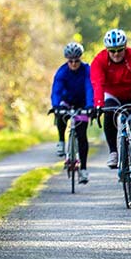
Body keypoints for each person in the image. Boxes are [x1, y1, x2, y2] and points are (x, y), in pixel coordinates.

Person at [89, 28, 131, 191]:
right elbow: (97, 84)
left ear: (125, 47)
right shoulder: (99, 61)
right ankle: (113, 152)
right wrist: (97, 104)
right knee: (109, 112)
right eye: (112, 51)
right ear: (107, 50)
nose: (116, 54)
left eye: (119, 50)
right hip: (112, 95)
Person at [50, 41, 94, 184]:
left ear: (80, 59)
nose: (74, 64)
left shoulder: (87, 70)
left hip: (82, 103)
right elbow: (56, 90)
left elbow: (89, 88)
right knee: (61, 114)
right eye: (71, 61)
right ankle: (61, 141)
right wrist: (56, 105)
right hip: (66, 101)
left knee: (82, 135)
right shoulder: (62, 71)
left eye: (76, 61)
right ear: (67, 60)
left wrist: (90, 106)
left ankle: (83, 170)